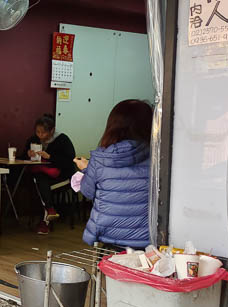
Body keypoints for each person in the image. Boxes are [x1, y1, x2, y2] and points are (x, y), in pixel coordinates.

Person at [75, 99, 152, 249]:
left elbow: (88, 192)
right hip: (145, 238)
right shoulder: (157, 157)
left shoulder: (100, 159)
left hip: (107, 234)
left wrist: (86, 168)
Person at [23, 113, 76, 234]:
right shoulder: (33, 140)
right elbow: (22, 156)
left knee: (38, 181)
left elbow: (69, 161)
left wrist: (50, 157)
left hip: (61, 175)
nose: (40, 136)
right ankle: (49, 210)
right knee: (36, 180)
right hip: (40, 174)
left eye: (43, 133)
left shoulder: (62, 139)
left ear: (52, 131)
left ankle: (45, 220)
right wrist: (28, 154)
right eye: (38, 132)